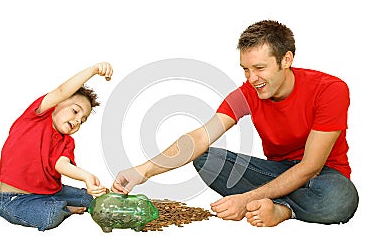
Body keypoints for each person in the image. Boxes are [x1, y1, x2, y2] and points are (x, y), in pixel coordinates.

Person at [111, 20, 359, 227]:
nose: (252, 79)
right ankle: (275, 202)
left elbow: (310, 167)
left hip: (324, 176)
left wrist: (245, 199)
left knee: (340, 200)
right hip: (276, 172)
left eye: (260, 68)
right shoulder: (247, 94)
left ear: (286, 60)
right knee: (206, 159)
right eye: (245, 69)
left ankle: (282, 210)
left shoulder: (330, 90)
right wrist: (141, 171)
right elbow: (200, 138)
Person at [0, 62, 113, 231]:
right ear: (57, 104)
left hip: (51, 192)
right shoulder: (36, 117)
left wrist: (87, 177)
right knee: (51, 215)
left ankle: (60, 204)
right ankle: (63, 209)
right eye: (75, 111)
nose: (78, 120)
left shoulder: (67, 142)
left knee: (91, 199)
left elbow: (61, 165)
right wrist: (93, 70)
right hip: (16, 199)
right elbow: (62, 91)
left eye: (83, 120)